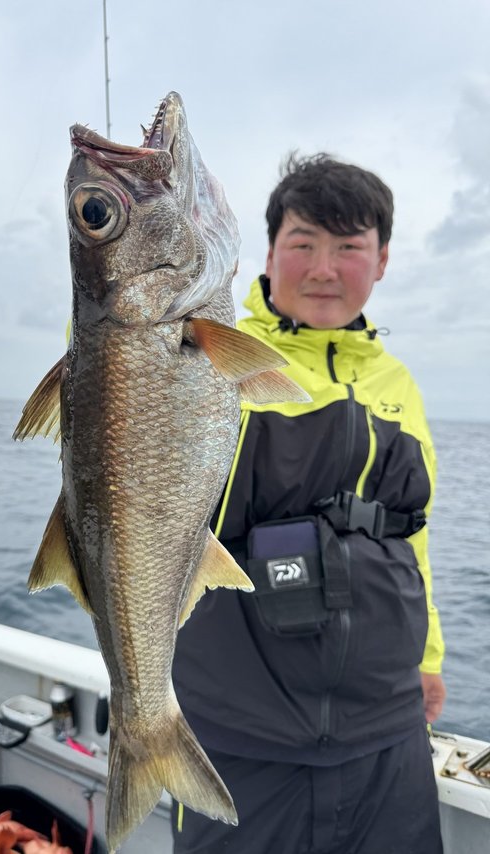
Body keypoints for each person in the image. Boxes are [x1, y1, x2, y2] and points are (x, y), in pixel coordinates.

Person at [172, 153, 446, 854]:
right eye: (303, 244)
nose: (324, 269)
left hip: (387, 731)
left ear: (381, 261)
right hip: (242, 733)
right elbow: (116, 352)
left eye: (349, 247)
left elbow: (410, 535)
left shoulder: (398, 383)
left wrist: (429, 657)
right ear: (267, 254)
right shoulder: (209, 353)